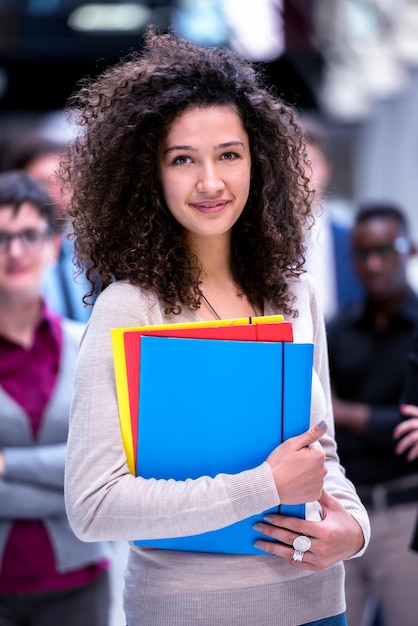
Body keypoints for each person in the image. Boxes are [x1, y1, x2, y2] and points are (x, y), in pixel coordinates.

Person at [63, 27, 370, 626]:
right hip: (189, 612)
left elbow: (321, 454)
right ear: (149, 176)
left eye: (229, 154)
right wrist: (264, 485)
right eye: (183, 159)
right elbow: (94, 508)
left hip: (316, 605)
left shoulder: (292, 295)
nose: (211, 183)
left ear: (260, 161)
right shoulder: (130, 308)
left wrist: (352, 531)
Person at [0, 170, 112, 626]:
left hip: (78, 585)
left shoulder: (87, 344)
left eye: (29, 235)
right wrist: (67, 486)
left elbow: (106, 468)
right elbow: (80, 479)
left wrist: (8, 466)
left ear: (53, 245)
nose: (14, 252)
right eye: (1, 238)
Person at [326, 203, 418, 626]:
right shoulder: (337, 329)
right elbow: (321, 419)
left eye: (386, 250)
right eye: (363, 253)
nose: (374, 263)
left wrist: (347, 413)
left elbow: (408, 429)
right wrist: (370, 419)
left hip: (406, 513)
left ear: (410, 250)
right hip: (341, 509)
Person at [6, 134, 92, 322]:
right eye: (43, 182)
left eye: (64, 181)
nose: (55, 193)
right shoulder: (10, 254)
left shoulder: (97, 251)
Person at [301, 115, 363, 321]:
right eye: (291, 162)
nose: (300, 172)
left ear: (326, 170)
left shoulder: (354, 239)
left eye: (308, 161)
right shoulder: (263, 240)